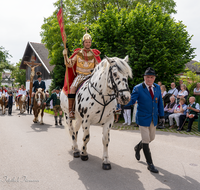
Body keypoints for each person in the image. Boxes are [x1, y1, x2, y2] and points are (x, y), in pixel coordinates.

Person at [126, 67, 164, 173]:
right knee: (146, 141)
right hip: (142, 117)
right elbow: (132, 100)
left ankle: (137, 147)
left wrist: (162, 116)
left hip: (153, 117)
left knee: (151, 138)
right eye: (147, 77)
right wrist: (123, 102)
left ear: (154, 78)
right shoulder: (138, 88)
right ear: (144, 77)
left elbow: (160, 103)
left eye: (152, 77)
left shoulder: (157, 88)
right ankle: (150, 164)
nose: (149, 79)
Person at [62, 31, 101, 119]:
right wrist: (65, 56)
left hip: (91, 76)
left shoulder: (95, 54)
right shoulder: (78, 53)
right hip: (80, 76)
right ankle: (71, 110)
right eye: (86, 42)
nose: (88, 43)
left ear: (91, 43)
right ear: (83, 43)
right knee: (72, 88)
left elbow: (98, 66)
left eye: (89, 42)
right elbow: (69, 64)